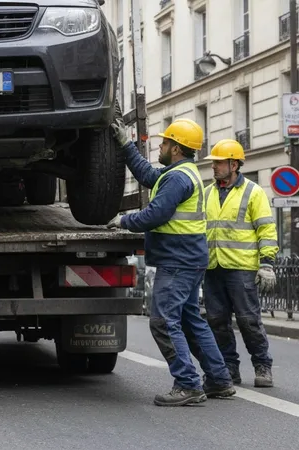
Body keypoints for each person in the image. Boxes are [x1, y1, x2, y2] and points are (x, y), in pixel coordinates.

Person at [108, 118, 235, 406]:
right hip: (187, 259)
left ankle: (188, 384)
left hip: (178, 261)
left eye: (165, 143)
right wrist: (126, 146)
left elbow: (156, 214)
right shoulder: (179, 173)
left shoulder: (178, 179)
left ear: (176, 148)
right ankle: (218, 378)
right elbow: (149, 176)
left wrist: (123, 221)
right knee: (190, 321)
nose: (161, 146)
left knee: (163, 321)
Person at [203, 139, 278, 387]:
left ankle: (262, 366)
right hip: (214, 268)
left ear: (234, 164)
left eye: (219, 162)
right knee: (217, 320)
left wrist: (266, 264)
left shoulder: (253, 192)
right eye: (213, 163)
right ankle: (229, 368)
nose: (214, 167)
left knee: (248, 320)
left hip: (242, 269)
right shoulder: (207, 193)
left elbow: (266, 229)